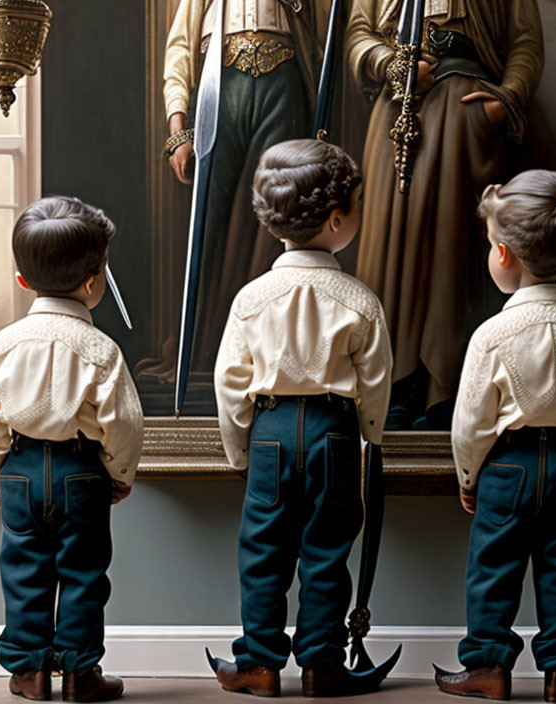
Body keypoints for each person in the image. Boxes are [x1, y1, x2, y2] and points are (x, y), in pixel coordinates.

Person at [209, 139, 392, 697]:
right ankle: (321, 665)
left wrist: (240, 450)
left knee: (262, 552)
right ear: (338, 219)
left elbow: (230, 383)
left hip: (268, 432)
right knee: (326, 553)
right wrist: (370, 441)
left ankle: (260, 664)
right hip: (333, 434)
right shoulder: (359, 301)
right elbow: (376, 383)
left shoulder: (250, 299)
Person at [435, 170, 556, 703]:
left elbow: (470, 422)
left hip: (506, 468)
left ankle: (488, 669)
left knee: (493, 568)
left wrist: (469, 476)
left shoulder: (493, 335)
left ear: (503, 255)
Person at [0, 196, 145, 702]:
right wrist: (120, 474)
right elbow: (124, 423)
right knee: (84, 574)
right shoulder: (100, 350)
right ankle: (78, 674)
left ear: (23, 281)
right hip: (79, 473)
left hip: (21, 470)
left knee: (24, 572)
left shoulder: (2, 346)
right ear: (94, 283)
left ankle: (28, 674)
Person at [346, 0, 544, 428]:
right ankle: (396, 384)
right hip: (396, 111)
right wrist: (390, 64)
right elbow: (359, 34)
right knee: (390, 245)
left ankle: (449, 388)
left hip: (467, 115)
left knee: (452, 246)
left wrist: (503, 102)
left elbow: (525, 43)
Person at [162, 0, 328, 370]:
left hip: (283, 88)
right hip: (222, 89)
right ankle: (203, 344)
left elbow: (319, 43)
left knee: (274, 219)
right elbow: (181, 47)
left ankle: (267, 347)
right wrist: (178, 128)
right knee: (211, 221)